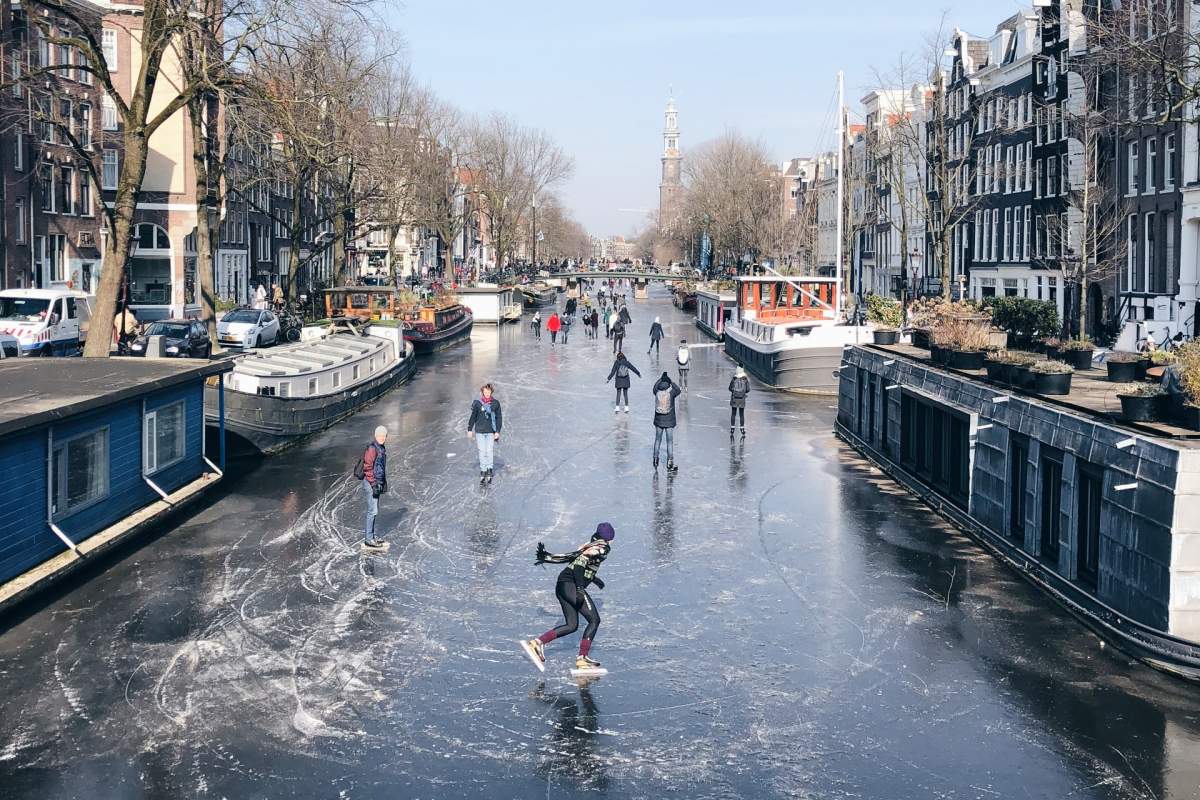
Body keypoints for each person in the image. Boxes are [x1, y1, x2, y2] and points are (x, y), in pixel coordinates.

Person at [521, 523, 615, 673]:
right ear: (610, 538)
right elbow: (579, 566)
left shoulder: (590, 545)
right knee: (594, 620)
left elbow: (580, 564)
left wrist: (594, 579)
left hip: (562, 585)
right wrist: (580, 589)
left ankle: (537, 643)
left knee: (572, 625)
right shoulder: (602, 548)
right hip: (571, 585)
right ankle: (582, 658)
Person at [468, 383, 503, 484]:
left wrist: (497, 431)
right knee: (482, 451)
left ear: (491, 392)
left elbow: (499, 418)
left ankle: (489, 470)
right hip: (479, 431)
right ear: (482, 392)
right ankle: (483, 470)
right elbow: (473, 416)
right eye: (485, 392)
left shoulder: (495, 403)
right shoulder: (477, 404)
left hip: (490, 431)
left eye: (489, 392)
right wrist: (469, 429)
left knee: (489, 451)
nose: (487, 394)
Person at [361, 426, 388, 551]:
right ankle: (368, 540)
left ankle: (371, 536)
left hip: (377, 483)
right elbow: (367, 467)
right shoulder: (372, 449)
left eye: (384, 436)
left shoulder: (381, 448)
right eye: (380, 436)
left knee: (374, 510)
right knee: (372, 511)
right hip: (371, 483)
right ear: (375, 436)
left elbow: (380, 467)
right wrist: (373, 484)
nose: (382, 438)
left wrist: (381, 483)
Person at [651, 372, 682, 472]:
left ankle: (655, 460)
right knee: (669, 442)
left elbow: (654, 388)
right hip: (670, 421)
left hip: (658, 422)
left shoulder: (657, 392)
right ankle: (670, 462)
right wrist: (670, 381)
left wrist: (661, 379)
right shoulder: (671, 393)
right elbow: (678, 390)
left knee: (657, 440)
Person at [729, 366, 750, 436]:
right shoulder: (745, 379)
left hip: (734, 398)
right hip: (742, 399)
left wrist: (734, 391)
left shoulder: (734, 378)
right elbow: (748, 390)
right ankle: (742, 429)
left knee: (733, 414)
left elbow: (730, 388)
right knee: (741, 414)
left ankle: (732, 428)